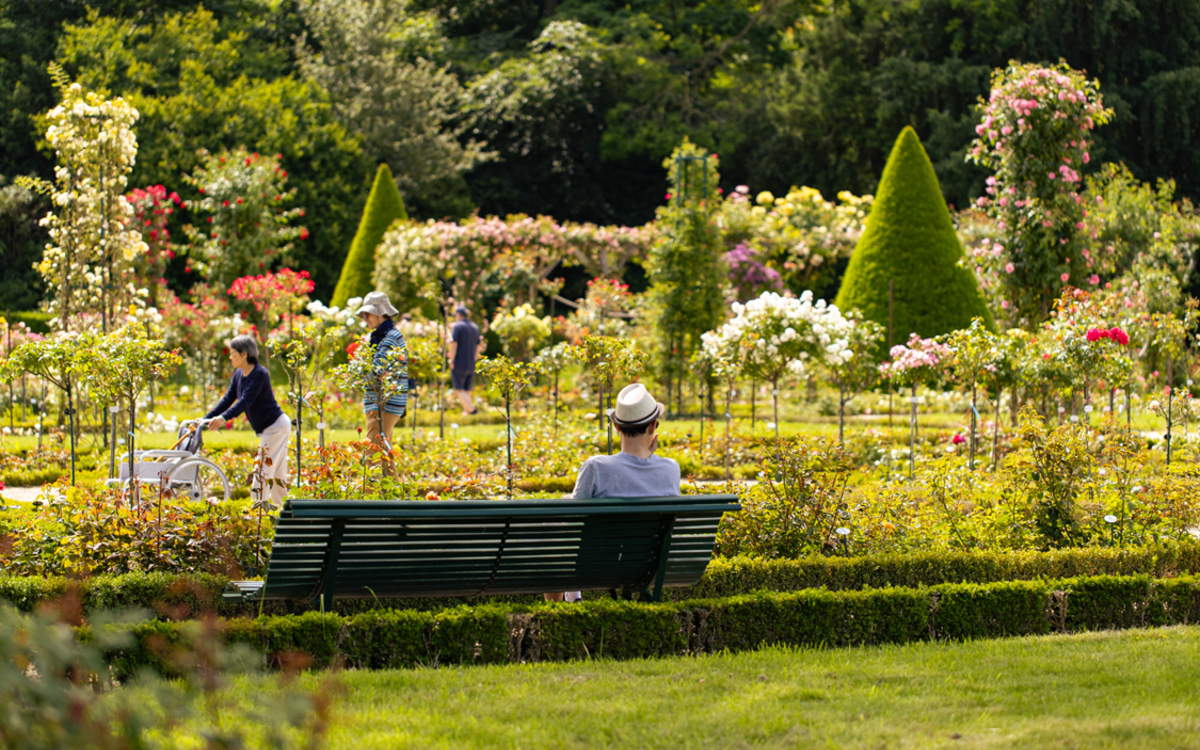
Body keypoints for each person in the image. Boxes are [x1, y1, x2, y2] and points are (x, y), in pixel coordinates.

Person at [546, 383, 681, 602]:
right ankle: (571, 597)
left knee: (557, 525)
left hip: (599, 565)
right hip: (650, 566)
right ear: (653, 426)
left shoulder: (596, 467)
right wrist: (649, 457)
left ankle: (558, 610)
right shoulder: (670, 469)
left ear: (617, 427)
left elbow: (574, 521)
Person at [204, 335, 291, 506]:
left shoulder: (260, 374)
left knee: (262, 470)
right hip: (274, 427)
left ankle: (256, 513)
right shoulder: (238, 374)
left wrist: (223, 418)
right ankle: (285, 512)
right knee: (276, 475)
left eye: (233, 353)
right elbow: (228, 399)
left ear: (244, 354)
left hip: (275, 427)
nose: (230, 357)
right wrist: (206, 418)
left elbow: (245, 401)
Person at [356, 292, 409, 475]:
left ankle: (369, 500)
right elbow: (376, 370)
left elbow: (375, 369)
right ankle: (395, 499)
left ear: (380, 313)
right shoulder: (382, 336)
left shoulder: (389, 338)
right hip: (382, 402)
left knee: (372, 452)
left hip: (383, 404)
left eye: (367, 314)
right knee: (385, 454)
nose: (365, 319)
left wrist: (362, 372)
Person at [447, 304, 484, 415]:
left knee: (458, 388)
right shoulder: (475, 327)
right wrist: (474, 360)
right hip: (471, 362)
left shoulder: (458, 327)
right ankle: (466, 411)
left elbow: (453, 345)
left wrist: (451, 360)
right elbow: (478, 346)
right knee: (467, 388)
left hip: (459, 361)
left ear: (458, 315)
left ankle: (471, 409)